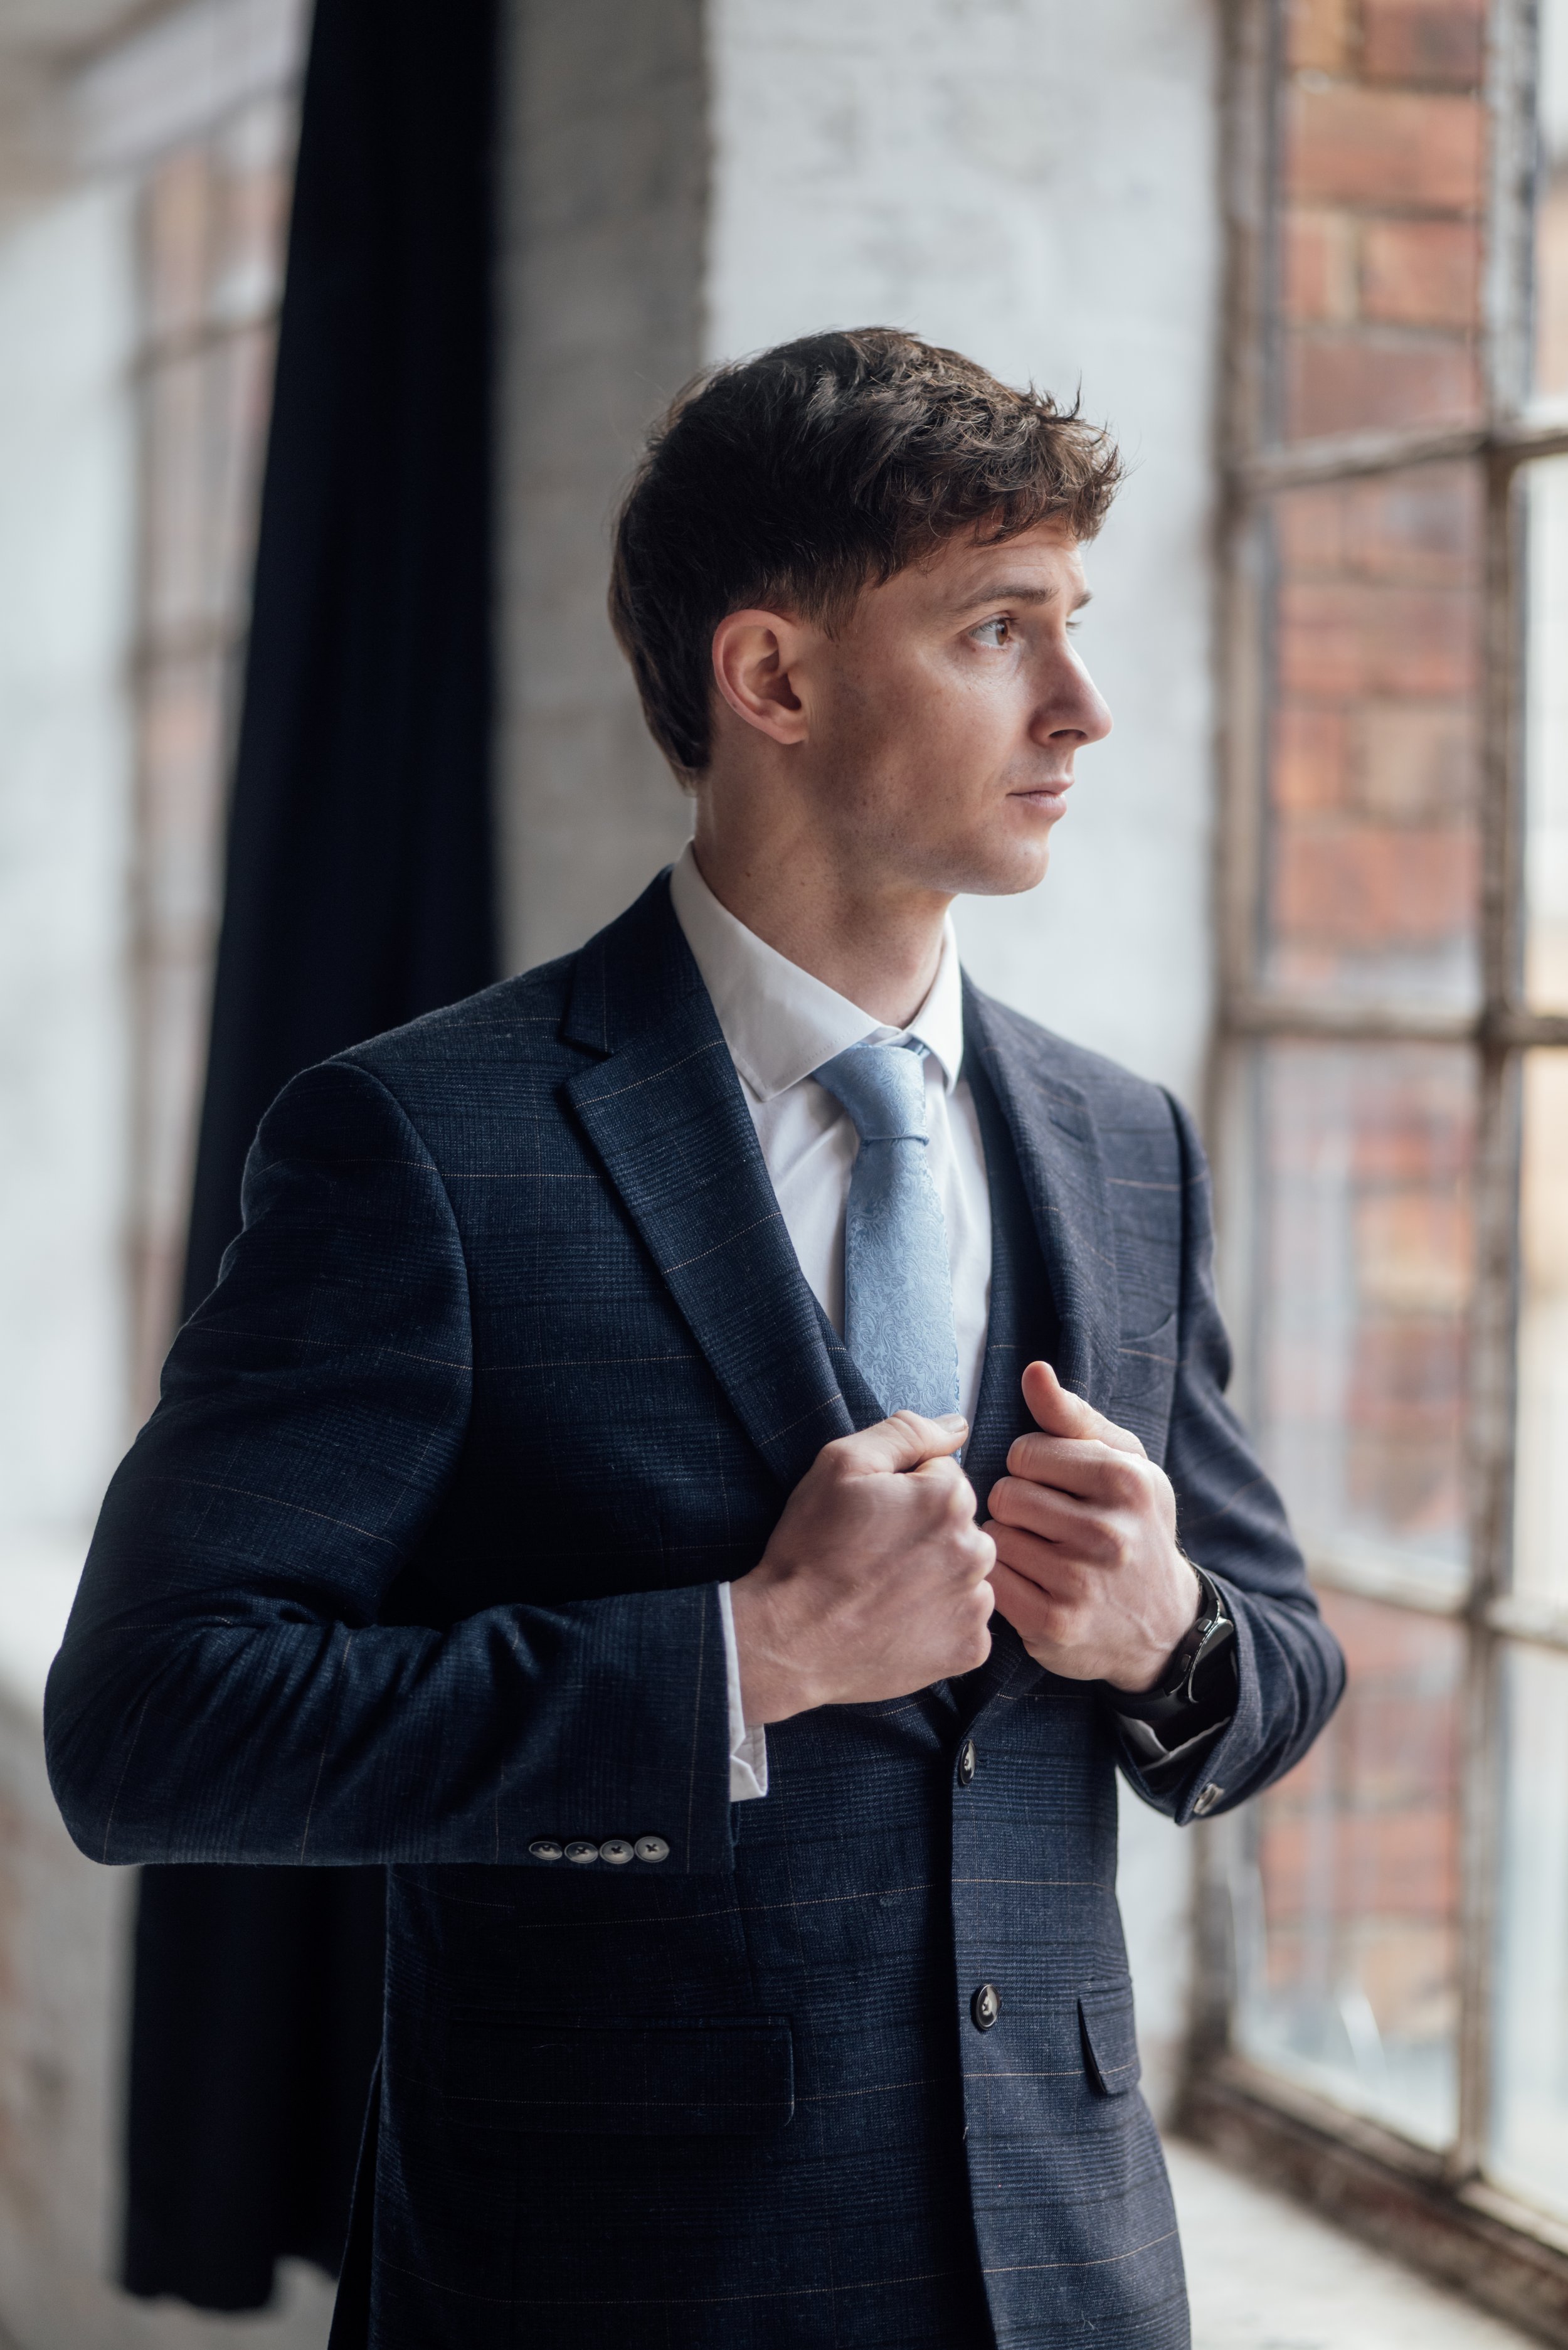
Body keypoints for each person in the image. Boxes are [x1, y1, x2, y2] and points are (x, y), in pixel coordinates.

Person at [46, 327, 1343, 2350]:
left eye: (1073, 625)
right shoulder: (424, 1142)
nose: (1085, 706)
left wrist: (1164, 1633)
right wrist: (742, 1658)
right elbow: (147, 1729)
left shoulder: (1118, 1142)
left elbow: (1273, 1669)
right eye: (1001, 631)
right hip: (606, 2282)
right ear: (774, 677)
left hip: (1070, 2283)